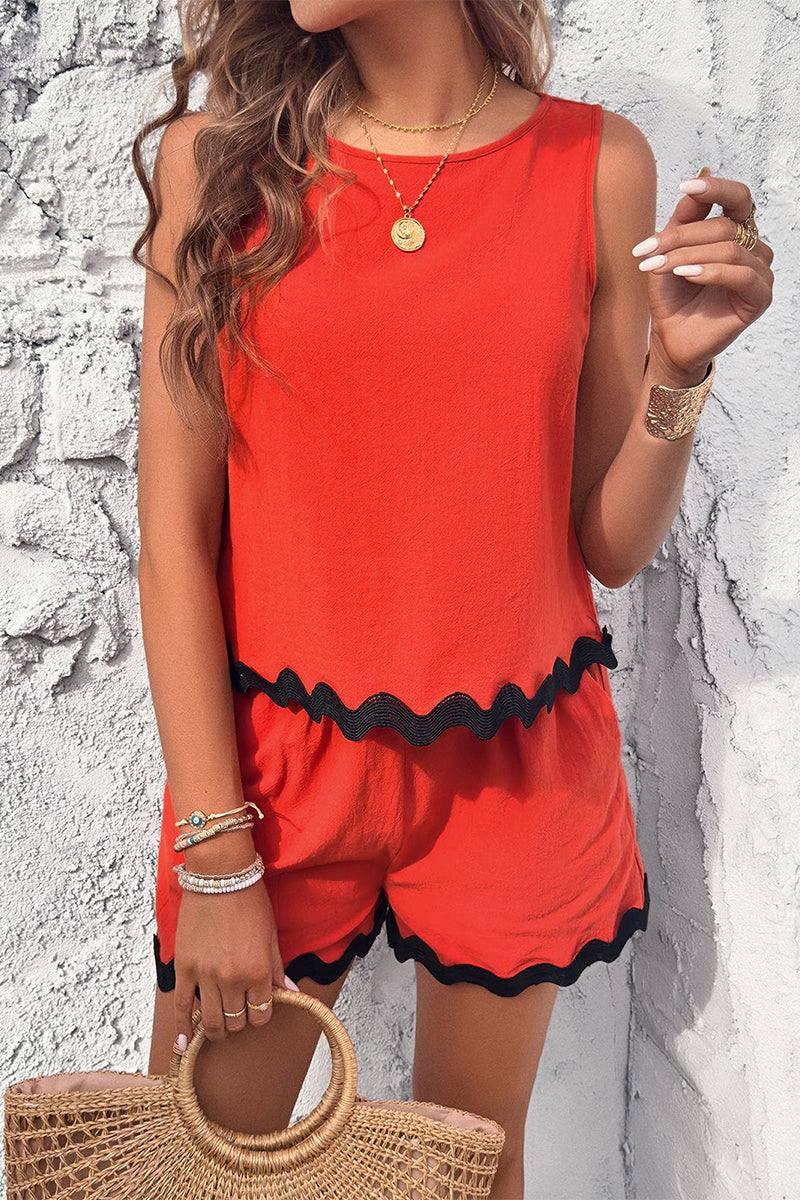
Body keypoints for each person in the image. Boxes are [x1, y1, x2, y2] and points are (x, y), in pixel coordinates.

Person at [132, 2, 773, 1195]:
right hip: (272, 778)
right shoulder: (218, 164)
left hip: (514, 760)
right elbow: (173, 540)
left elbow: (605, 545)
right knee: (190, 1168)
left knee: (464, 1176)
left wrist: (676, 373)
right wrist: (215, 855)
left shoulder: (594, 165)